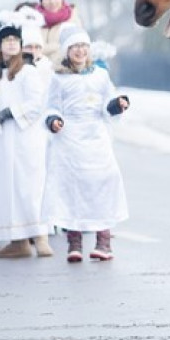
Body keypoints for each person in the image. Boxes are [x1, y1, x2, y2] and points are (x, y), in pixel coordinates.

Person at [42, 28, 129, 262]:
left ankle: (104, 241)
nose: (80, 51)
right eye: (74, 47)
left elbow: (107, 103)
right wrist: (53, 120)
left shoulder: (100, 75)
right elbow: (51, 106)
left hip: (96, 136)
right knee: (73, 190)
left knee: (103, 185)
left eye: (83, 46)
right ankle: (75, 242)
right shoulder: (59, 77)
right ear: (67, 51)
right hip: (70, 139)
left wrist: (117, 104)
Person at [0, 23, 53, 258]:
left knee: (28, 185)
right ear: (0, 46)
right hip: (2, 140)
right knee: (7, 188)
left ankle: (39, 235)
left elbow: (37, 102)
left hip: (24, 137)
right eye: (6, 40)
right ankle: (18, 240)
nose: (11, 43)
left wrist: (10, 112)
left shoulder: (27, 71)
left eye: (15, 39)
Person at [35, 0, 83, 64]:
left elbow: (75, 46)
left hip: (65, 69)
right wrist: (57, 46)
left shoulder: (72, 19)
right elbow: (32, 48)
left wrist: (43, 49)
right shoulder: (34, 20)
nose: (52, 2)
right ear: (41, 1)